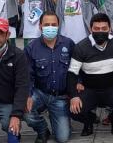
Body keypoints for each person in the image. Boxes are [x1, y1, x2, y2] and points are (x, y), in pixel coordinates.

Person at [67, 13, 113, 137]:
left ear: (110, 28)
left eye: (104, 29)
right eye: (96, 29)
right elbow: (72, 73)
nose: (100, 32)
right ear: (91, 29)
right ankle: (89, 121)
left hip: (112, 88)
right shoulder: (81, 47)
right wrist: (74, 96)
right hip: (89, 89)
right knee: (73, 110)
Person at [24, 12, 75, 143]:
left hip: (60, 97)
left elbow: (76, 69)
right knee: (24, 110)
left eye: (54, 24)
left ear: (58, 26)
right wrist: (28, 96)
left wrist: (76, 88)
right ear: (40, 26)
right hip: (40, 93)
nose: (50, 27)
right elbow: (28, 74)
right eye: (47, 25)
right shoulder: (31, 47)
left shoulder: (68, 44)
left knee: (62, 138)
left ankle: (60, 118)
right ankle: (42, 130)